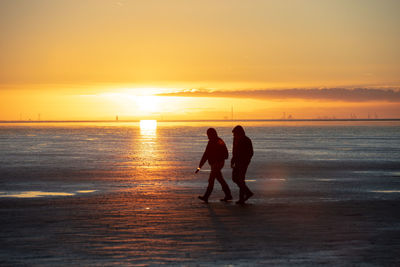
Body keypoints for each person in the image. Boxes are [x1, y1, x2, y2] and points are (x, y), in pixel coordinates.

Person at [195, 128, 232, 203]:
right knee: (220, 179)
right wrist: (199, 166)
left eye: (208, 134)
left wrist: (219, 160)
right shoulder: (210, 142)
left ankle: (206, 196)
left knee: (211, 179)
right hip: (214, 164)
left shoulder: (219, 141)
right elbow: (206, 155)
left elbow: (226, 154)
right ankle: (228, 195)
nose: (208, 136)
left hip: (218, 164)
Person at [231, 125, 254, 204]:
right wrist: (233, 160)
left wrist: (245, 161)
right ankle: (247, 193)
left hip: (243, 163)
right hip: (237, 162)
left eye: (235, 133)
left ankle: (242, 198)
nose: (234, 135)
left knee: (240, 179)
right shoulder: (235, 139)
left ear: (239, 132)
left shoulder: (246, 140)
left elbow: (251, 153)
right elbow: (234, 151)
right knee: (235, 179)